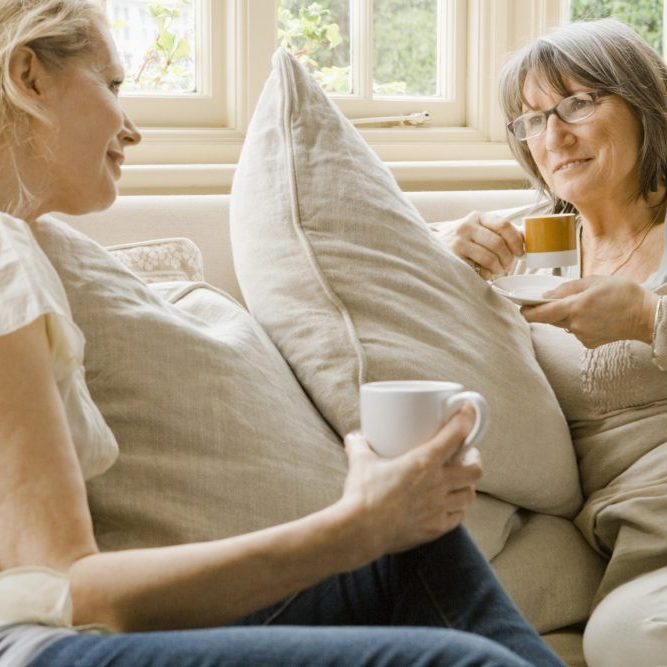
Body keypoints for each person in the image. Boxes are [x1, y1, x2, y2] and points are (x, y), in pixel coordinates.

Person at [0, 2, 565, 665]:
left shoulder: (26, 248)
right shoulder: (6, 257)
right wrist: (352, 527)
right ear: (28, 76)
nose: (131, 130)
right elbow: (65, 588)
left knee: (421, 541)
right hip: (38, 647)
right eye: (113, 85)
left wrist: (386, 522)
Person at [441, 18, 667, 667]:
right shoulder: (533, 240)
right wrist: (444, 253)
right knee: (626, 632)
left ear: (643, 102)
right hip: (639, 540)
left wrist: (648, 318)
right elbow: (370, 254)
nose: (554, 135)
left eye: (577, 103)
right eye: (532, 119)